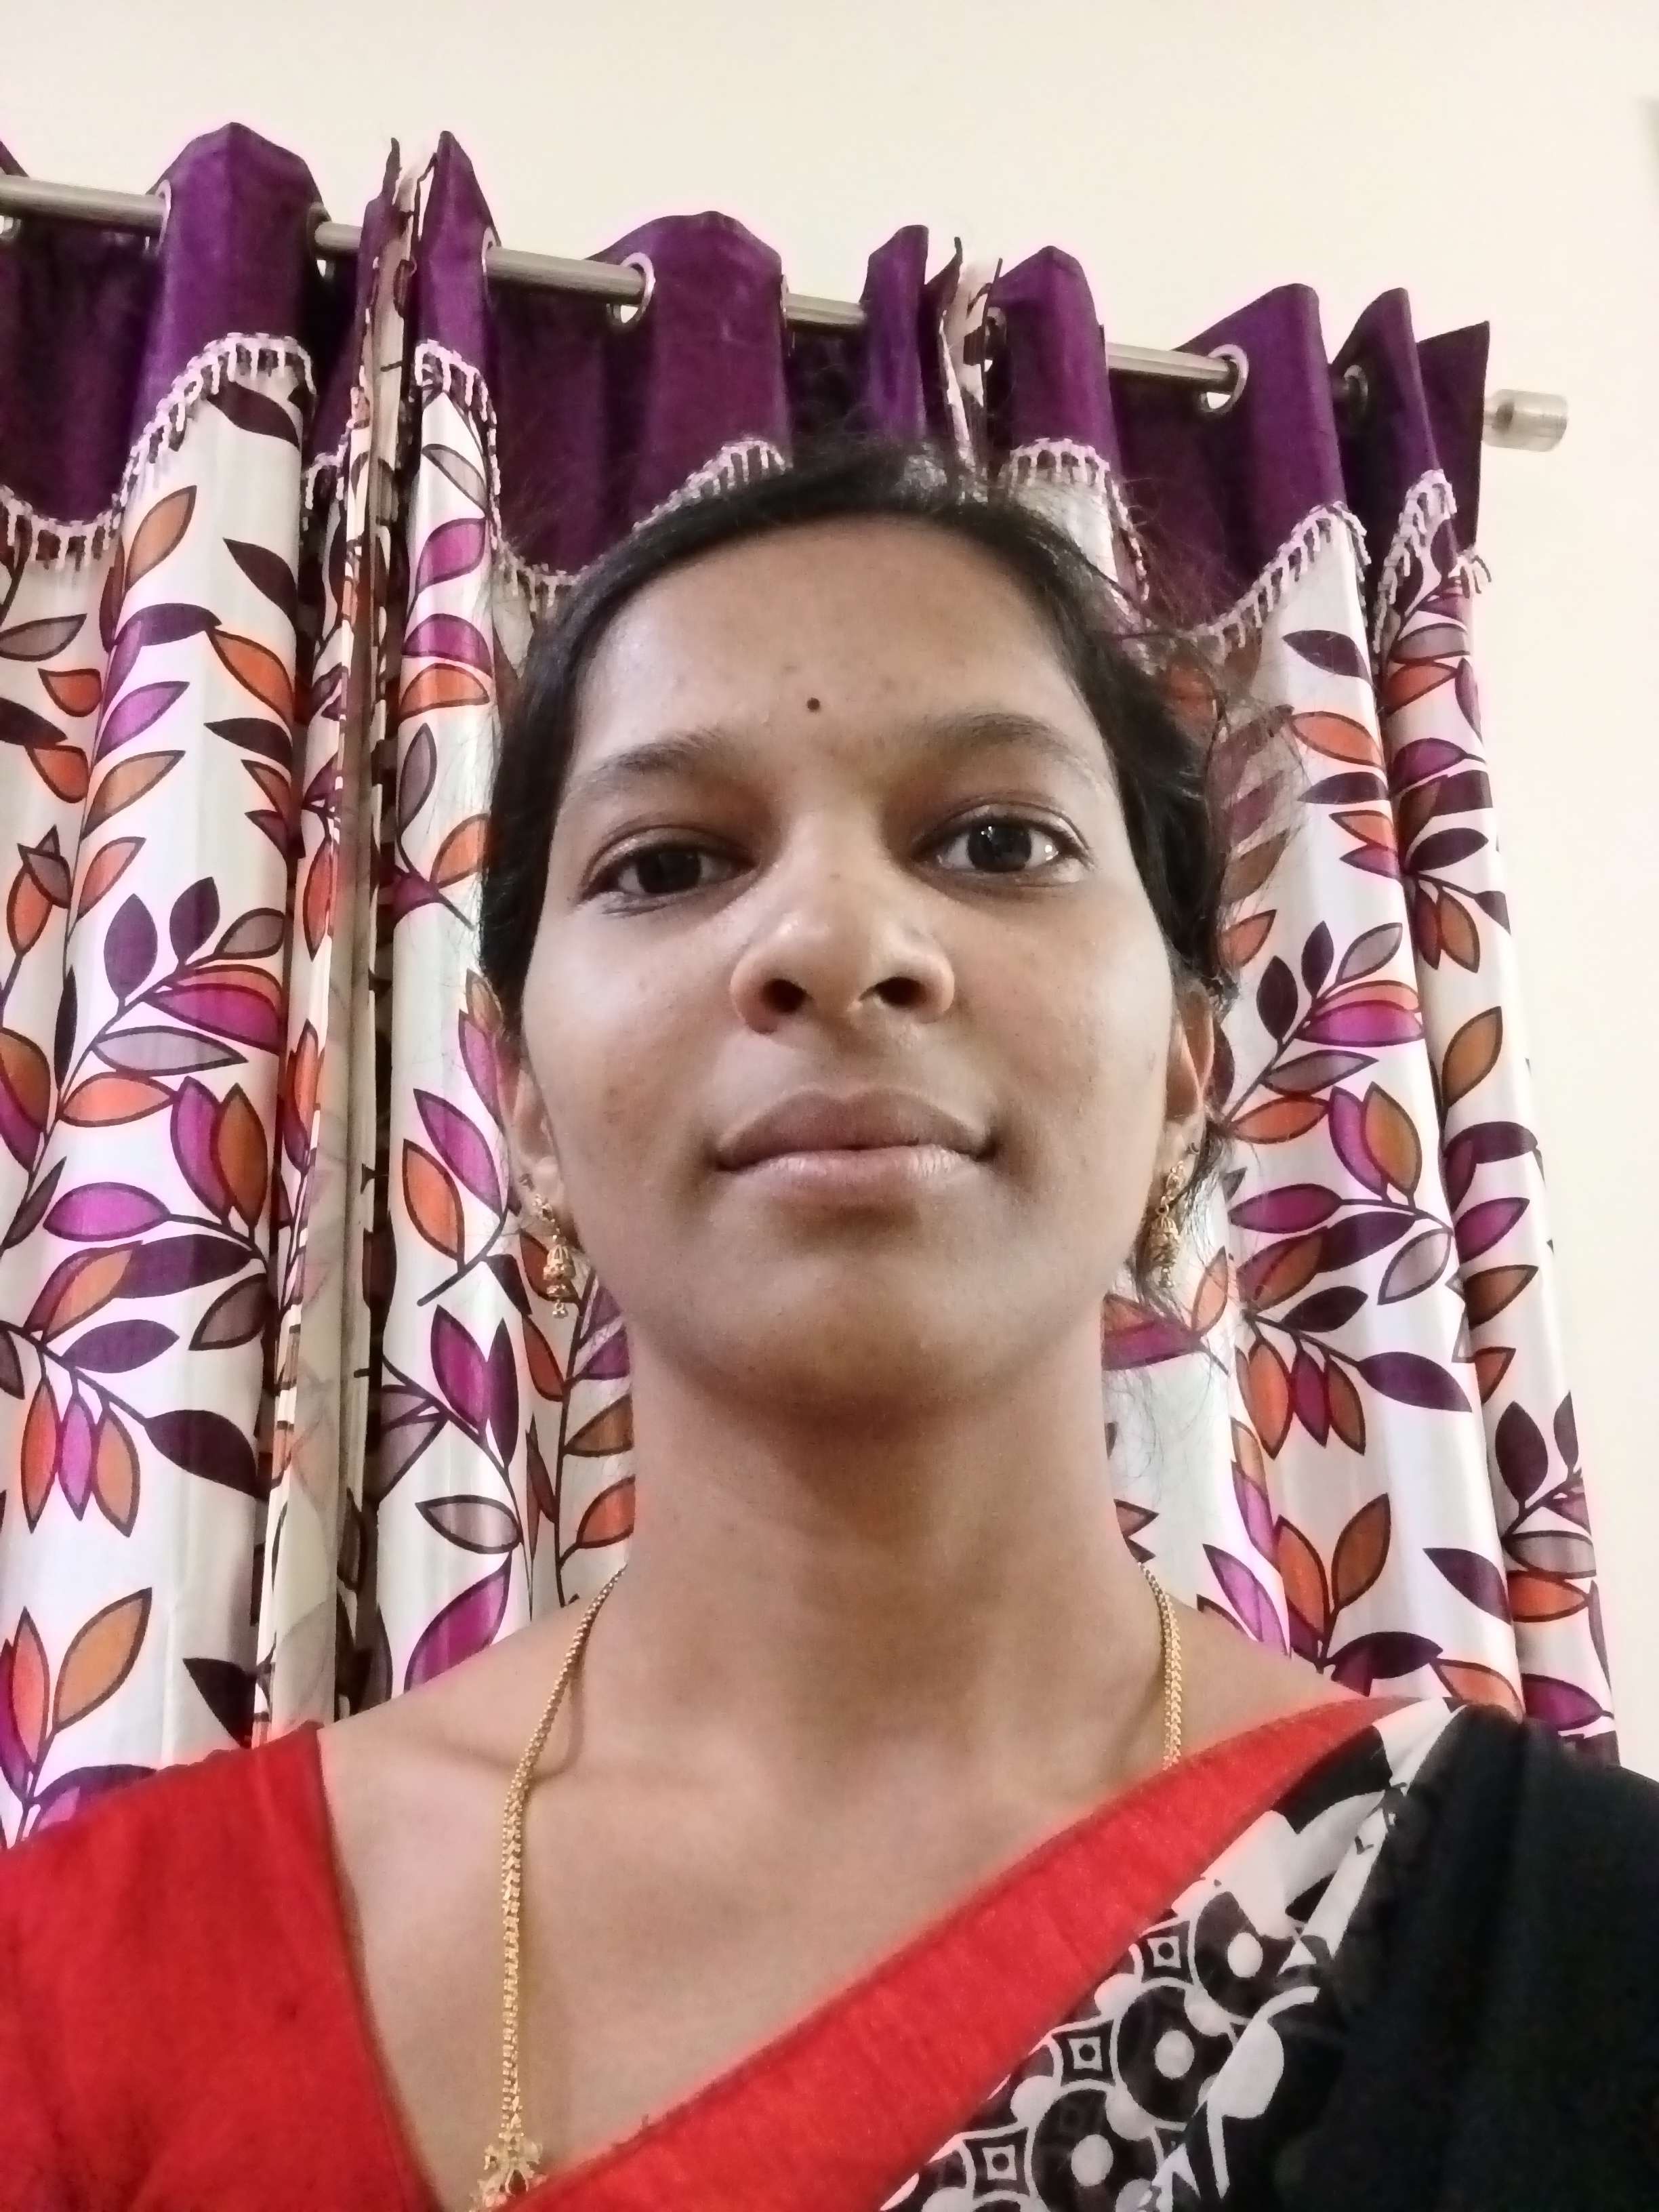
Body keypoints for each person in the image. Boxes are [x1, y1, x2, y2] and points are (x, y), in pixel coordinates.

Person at [2, 438, 1656, 2212]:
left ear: (1186, 1071)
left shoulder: (1562, 1957)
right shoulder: (90, 1991)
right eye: (668, 862)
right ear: (525, 1104)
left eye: (998, 841)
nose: (837, 937)